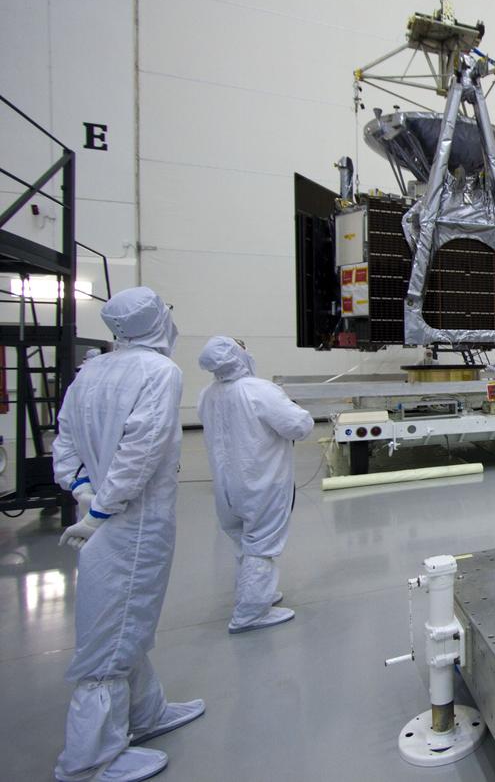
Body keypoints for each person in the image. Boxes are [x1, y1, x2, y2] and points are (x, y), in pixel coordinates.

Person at [51, 287, 204, 782]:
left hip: (99, 510)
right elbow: (142, 449)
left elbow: (66, 438)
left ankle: (146, 713)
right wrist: (102, 509)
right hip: (132, 521)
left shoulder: (91, 371)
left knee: (126, 619)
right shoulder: (160, 372)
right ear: (157, 321)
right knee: (112, 632)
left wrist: (81, 491)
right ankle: (90, 758)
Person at [197, 336, 314, 634]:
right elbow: (298, 426)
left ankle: (256, 591)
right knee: (262, 544)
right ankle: (251, 612)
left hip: (226, 488)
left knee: (243, 542)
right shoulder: (259, 391)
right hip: (260, 483)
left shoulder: (207, 395)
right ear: (239, 356)